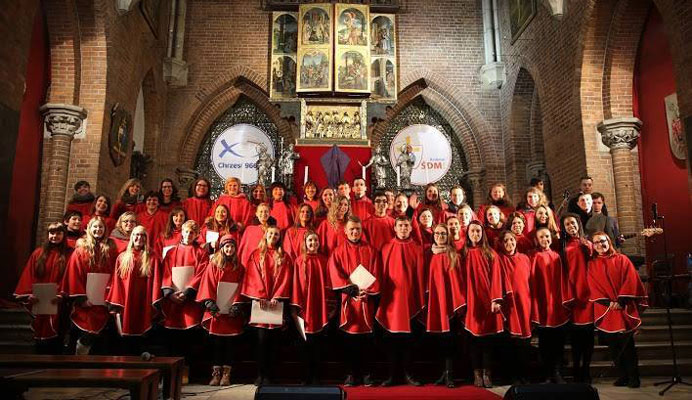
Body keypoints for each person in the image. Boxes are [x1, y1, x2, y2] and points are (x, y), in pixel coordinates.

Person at [588, 232, 647, 388]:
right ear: (593, 246)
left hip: (623, 307)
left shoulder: (622, 259)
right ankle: (623, 375)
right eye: (596, 243)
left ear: (609, 242)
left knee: (627, 346)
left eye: (602, 241)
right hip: (606, 310)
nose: (600, 245)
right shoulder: (592, 264)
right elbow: (592, 285)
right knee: (613, 347)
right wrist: (608, 303)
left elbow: (631, 279)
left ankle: (634, 377)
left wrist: (621, 300)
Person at [328, 215, 381, 386]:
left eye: (357, 229)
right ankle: (350, 373)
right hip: (348, 300)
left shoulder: (371, 250)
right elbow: (334, 271)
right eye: (351, 229)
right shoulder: (338, 251)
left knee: (366, 341)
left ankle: (367, 373)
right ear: (345, 231)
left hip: (366, 300)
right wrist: (347, 288)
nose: (354, 232)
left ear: (361, 230)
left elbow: (376, 272)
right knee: (348, 340)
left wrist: (368, 291)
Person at [240, 226, 293, 385]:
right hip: (261, 304)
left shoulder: (284, 256)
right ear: (265, 235)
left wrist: (277, 296)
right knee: (261, 342)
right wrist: (261, 295)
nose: (273, 236)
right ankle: (260, 374)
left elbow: (286, 277)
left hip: (277, 304)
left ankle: (270, 375)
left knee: (274, 342)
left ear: (280, 237)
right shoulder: (256, 255)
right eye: (271, 233)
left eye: (276, 234)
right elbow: (252, 276)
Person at [377, 216, 426, 387]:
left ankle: (408, 374)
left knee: (409, 340)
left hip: (411, 300)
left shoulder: (417, 249)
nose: (404, 228)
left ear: (411, 229)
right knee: (391, 341)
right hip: (391, 302)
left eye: (406, 226)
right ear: (395, 228)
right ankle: (391, 375)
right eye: (400, 226)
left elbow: (421, 277)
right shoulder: (386, 248)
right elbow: (382, 274)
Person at [61, 217, 118, 355]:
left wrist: (109, 297)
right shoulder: (80, 250)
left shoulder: (111, 250)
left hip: (103, 303)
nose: (98, 230)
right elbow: (74, 274)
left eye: (101, 227)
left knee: (101, 343)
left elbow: (115, 274)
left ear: (105, 230)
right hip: (85, 303)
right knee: (82, 338)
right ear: (89, 229)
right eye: (95, 227)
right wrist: (81, 299)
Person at [14, 222, 72, 354]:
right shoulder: (38, 253)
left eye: (58, 233)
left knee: (58, 338)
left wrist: (62, 294)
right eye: (52, 233)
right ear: (47, 235)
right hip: (40, 301)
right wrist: (29, 294)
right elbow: (29, 275)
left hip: (59, 302)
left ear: (64, 235)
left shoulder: (69, 254)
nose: (55, 236)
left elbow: (70, 277)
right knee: (40, 339)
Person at [460, 221, 506, 388]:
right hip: (470, 301)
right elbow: (459, 279)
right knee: (473, 340)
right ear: (468, 233)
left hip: (487, 301)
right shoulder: (462, 253)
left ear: (482, 233)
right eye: (472, 231)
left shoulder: (490, 253)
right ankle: (476, 373)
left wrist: (495, 299)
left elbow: (496, 277)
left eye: (478, 231)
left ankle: (487, 373)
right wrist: (462, 301)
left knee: (487, 340)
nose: (475, 234)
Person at [158, 220, 208, 370]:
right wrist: (170, 293)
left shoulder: (201, 253)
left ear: (196, 234)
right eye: (186, 231)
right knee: (172, 339)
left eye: (192, 232)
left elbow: (201, 273)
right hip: (173, 300)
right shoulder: (172, 252)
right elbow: (166, 272)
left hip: (189, 300)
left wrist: (187, 292)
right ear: (182, 232)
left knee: (189, 338)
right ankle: (170, 372)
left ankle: (186, 373)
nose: (188, 235)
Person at [197, 234, 246, 386]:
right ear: (222, 248)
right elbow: (208, 284)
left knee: (230, 344)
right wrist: (210, 303)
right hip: (217, 311)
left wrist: (237, 305)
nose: (229, 249)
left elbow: (242, 286)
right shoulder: (213, 265)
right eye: (227, 246)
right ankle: (216, 374)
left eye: (232, 246)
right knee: (217, 344)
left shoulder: (240, 268)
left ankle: (226, 374)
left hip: (231, 312)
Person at [106, 225, 161, 354]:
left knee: (142, 341)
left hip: (144, 302)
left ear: (146, 238)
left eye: (142, 235)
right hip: (126, 302)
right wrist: (117, 303)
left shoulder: (153, 258)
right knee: (125, 343)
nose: (139, 238)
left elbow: (156, 282)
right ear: (132, 237)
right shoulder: (122, 257)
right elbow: (117, 282)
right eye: (136, 234)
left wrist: (154, 302)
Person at [531, 227, 574, 383]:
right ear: (536, 240)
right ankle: (547, 374)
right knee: (545, 343)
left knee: (558, 342)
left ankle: (557, 372)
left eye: (547, 236)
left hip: (556, 304)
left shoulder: (557, 256)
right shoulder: (535, 257)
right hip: (542, 305)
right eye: (541, 237)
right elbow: (534, 282)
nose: (545, 239)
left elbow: (562, 280)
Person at [290, 231, 332, 384]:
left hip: (319, 307)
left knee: (317, 344)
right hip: (304, 307)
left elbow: (328, 284)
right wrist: (295, 307)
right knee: (304, 344)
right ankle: (305, 376)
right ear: (305, 243)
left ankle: (316, 376)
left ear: (319, 243)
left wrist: (329, 305)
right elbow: (295, 284)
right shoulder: (299, 261)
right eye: (310, 240)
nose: (313, 243)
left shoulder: (325, 260)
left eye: (315, 240)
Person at [425, 223, 464, 388]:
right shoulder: (430, 255)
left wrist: (457, 303)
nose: (440, 236)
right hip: (436, 303)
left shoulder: (454, 255)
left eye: (443, 234)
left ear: (448, 236)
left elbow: (459, 282)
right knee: (439, 340)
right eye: (437, 233)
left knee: (450, 339)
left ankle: (450, 374)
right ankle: (442, 373)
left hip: (451, 304)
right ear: (433, 236)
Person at [560, 213, 594, 383]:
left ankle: (586, 370)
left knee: (588, 338)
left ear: (578, 224)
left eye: (573, 223)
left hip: (588, 295)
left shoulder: (588, 244)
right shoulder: (564, 247)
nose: (570, 226)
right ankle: (576, 370)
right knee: (575, 339)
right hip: (573, 295)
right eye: (567, 224)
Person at [498, 231, 532, 384]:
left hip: (524, 303)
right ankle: (511, 375)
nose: (509, 243)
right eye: (506, 241)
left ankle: (524, 374)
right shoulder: (499, 260)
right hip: (508, 305)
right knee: (509, 342)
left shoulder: (525, 258)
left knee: (524, 343)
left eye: (512, 240)